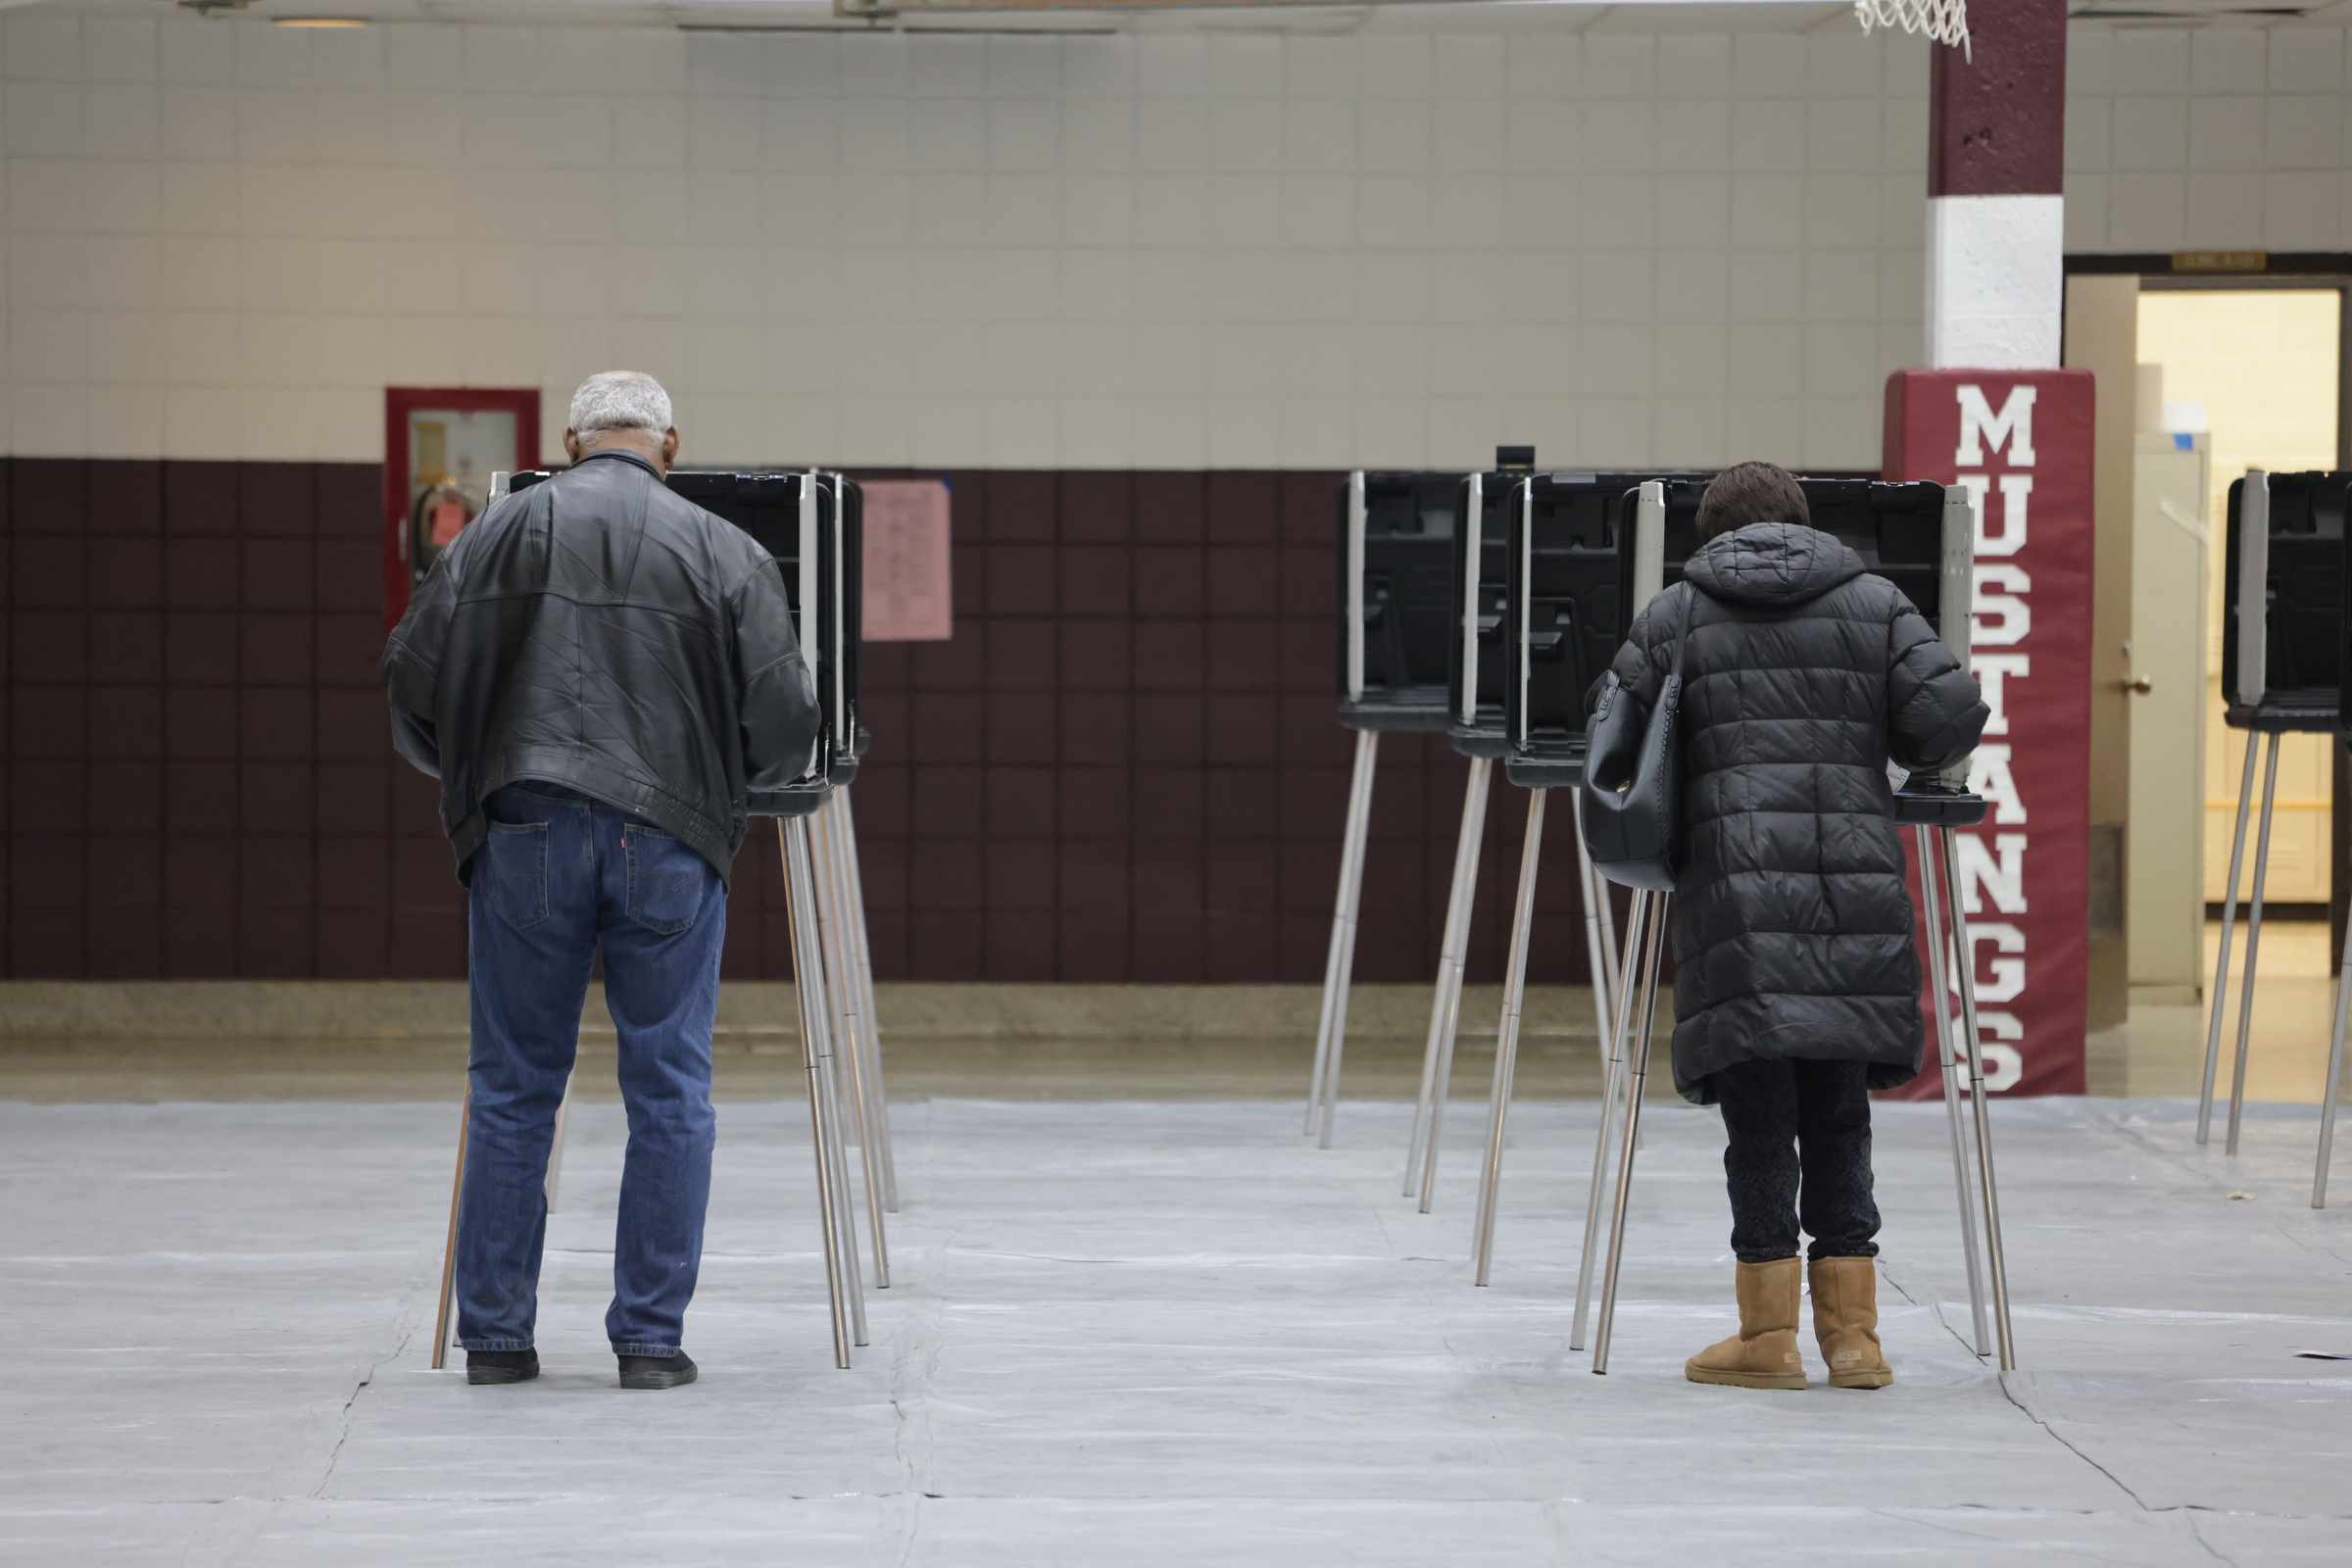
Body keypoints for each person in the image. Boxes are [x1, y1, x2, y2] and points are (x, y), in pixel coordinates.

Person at [383, 371, 821, 1390]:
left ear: (570, 444)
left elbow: (409, 678)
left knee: (512, 1087)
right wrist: (727, 785)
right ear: (671, 444)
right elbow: (788, 714)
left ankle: (496, 1339)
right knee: (670, 1088)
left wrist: (472, 767)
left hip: (523, 824)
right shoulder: (724, 546)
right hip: (670, 834)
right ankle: (651, 1342)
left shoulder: (490, 535)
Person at [1599, 462, 1987, 1392]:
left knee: (1759, 1117)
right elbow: (1947, 722)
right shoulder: (1877, 601)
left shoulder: (1676, 613)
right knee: (1840, 1113)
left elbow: (1611, 737)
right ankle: (1855, 1340)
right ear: (1807, 521)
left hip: (1736, 896)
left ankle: (1766, 1338)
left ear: (1709, 533)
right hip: (1849, 887)